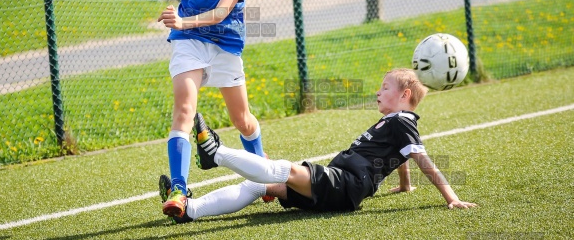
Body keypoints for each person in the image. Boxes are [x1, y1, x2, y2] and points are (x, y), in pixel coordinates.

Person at [159, 68, 477, 223]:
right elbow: (401, 155)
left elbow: (420, 157)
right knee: (259, 186)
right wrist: (405, 186)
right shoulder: (394, 124)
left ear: (404, 96)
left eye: (385, 88)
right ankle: (190, 211)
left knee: (283, 169)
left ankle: (216, 153)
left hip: (345, 185)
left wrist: (452, 198)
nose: (379, 92)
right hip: (339, 187)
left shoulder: (403, 121)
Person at [156, 0, 271, 221]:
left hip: (224, 46)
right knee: (184, 110)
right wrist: (176, 16)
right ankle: (179, 189)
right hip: (189, 41)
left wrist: (183, 20)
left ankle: (262, 173)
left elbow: (222, 12)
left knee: (242, 120)